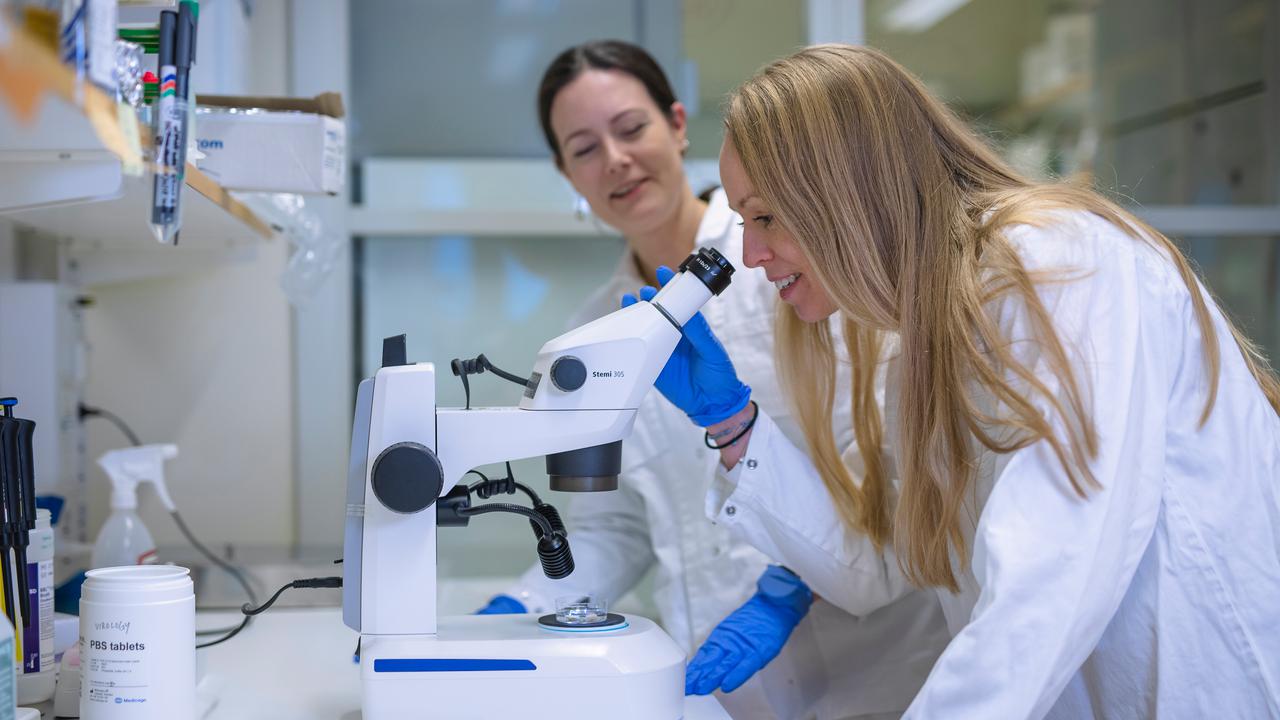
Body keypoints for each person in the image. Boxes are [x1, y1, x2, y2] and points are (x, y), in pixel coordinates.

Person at [638, 43, 1280, 718]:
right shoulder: (925, 338)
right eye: (743, 221)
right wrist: (734, 423)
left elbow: (1049, 576)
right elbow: (881, 562)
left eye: (765, 216)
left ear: (846, 189)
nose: (749, 254)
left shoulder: (1054, 266)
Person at [477, 40, 950, 719]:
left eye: (631, 128)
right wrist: (516, 612)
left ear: (675, 124)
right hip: (711, 671)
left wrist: (785, 589)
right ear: (566, 173)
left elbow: (884, 466)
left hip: (866, 665)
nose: (615, 159)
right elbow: (614, 528)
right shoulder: (594, 333)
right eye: (583, 148)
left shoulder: (795, 260)